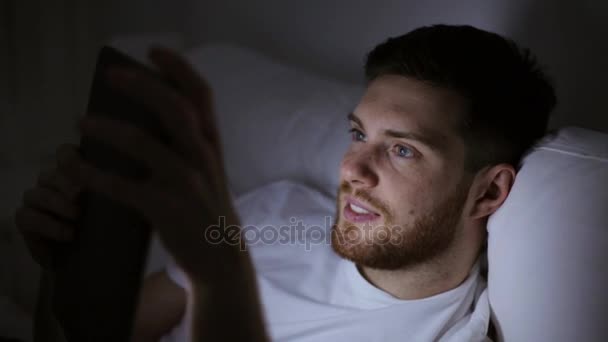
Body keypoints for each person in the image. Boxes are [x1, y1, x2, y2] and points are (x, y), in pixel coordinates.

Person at [15, 24, 556, 341]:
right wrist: (62, 267)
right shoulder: (280, 212)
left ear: (487, 192)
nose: (352, 170)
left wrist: (220, 277)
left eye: (402, 150)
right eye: (357, 134)